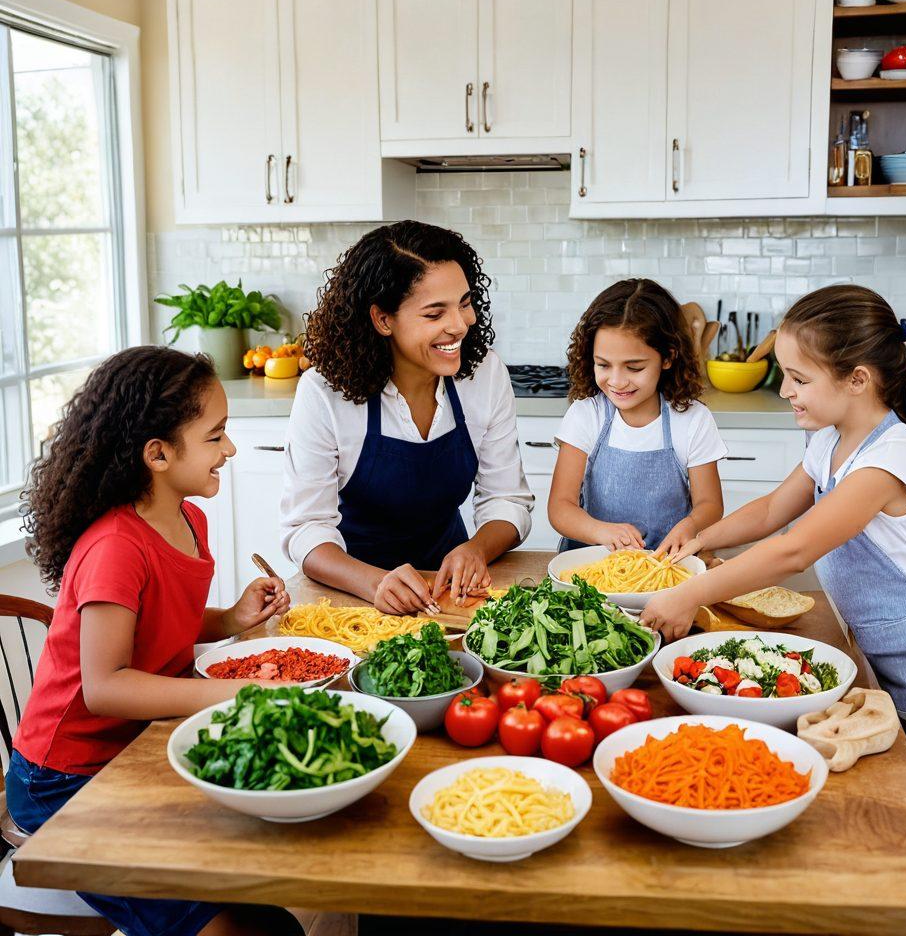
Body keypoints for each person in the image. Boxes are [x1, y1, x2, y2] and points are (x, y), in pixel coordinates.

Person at [641, 283, 906, 889]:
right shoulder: (829, 441)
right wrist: (698, 542)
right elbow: (769, 513)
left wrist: (690, 594)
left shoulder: (886, 459)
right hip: (900, 665)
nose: (784, 390)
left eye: (797, 378)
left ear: (857, 380)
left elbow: (793, 549)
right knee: (903, 828)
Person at [8, 346, 304, 936]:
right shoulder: (115, 546)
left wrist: (229, 619)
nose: (231, 450)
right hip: (63, 779)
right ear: (159, 454)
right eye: (216, 436)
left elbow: (161, 624)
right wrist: (231, 695)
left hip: (134, 751)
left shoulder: (188, 519)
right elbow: (105, 687)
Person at [280, 220, 533, 614]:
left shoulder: (484, 374)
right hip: (353, 594)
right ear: (383, 320)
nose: (460, 325)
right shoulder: (323, 392)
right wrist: (375, 582)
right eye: (435, 314)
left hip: (450, 592)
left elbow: (506, 498)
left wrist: (476, 549)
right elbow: (306, 531)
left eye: (465, 303)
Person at [548, 278, 726, 557]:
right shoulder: (587, 416)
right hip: (589, 573)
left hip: (665, 569)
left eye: (634, 367)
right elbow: (560, 507)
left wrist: (691, 525)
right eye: (603, 365)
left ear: (667, 358)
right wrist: (602, 531)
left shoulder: (692, 420)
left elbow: (710, 504)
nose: (617, 381)